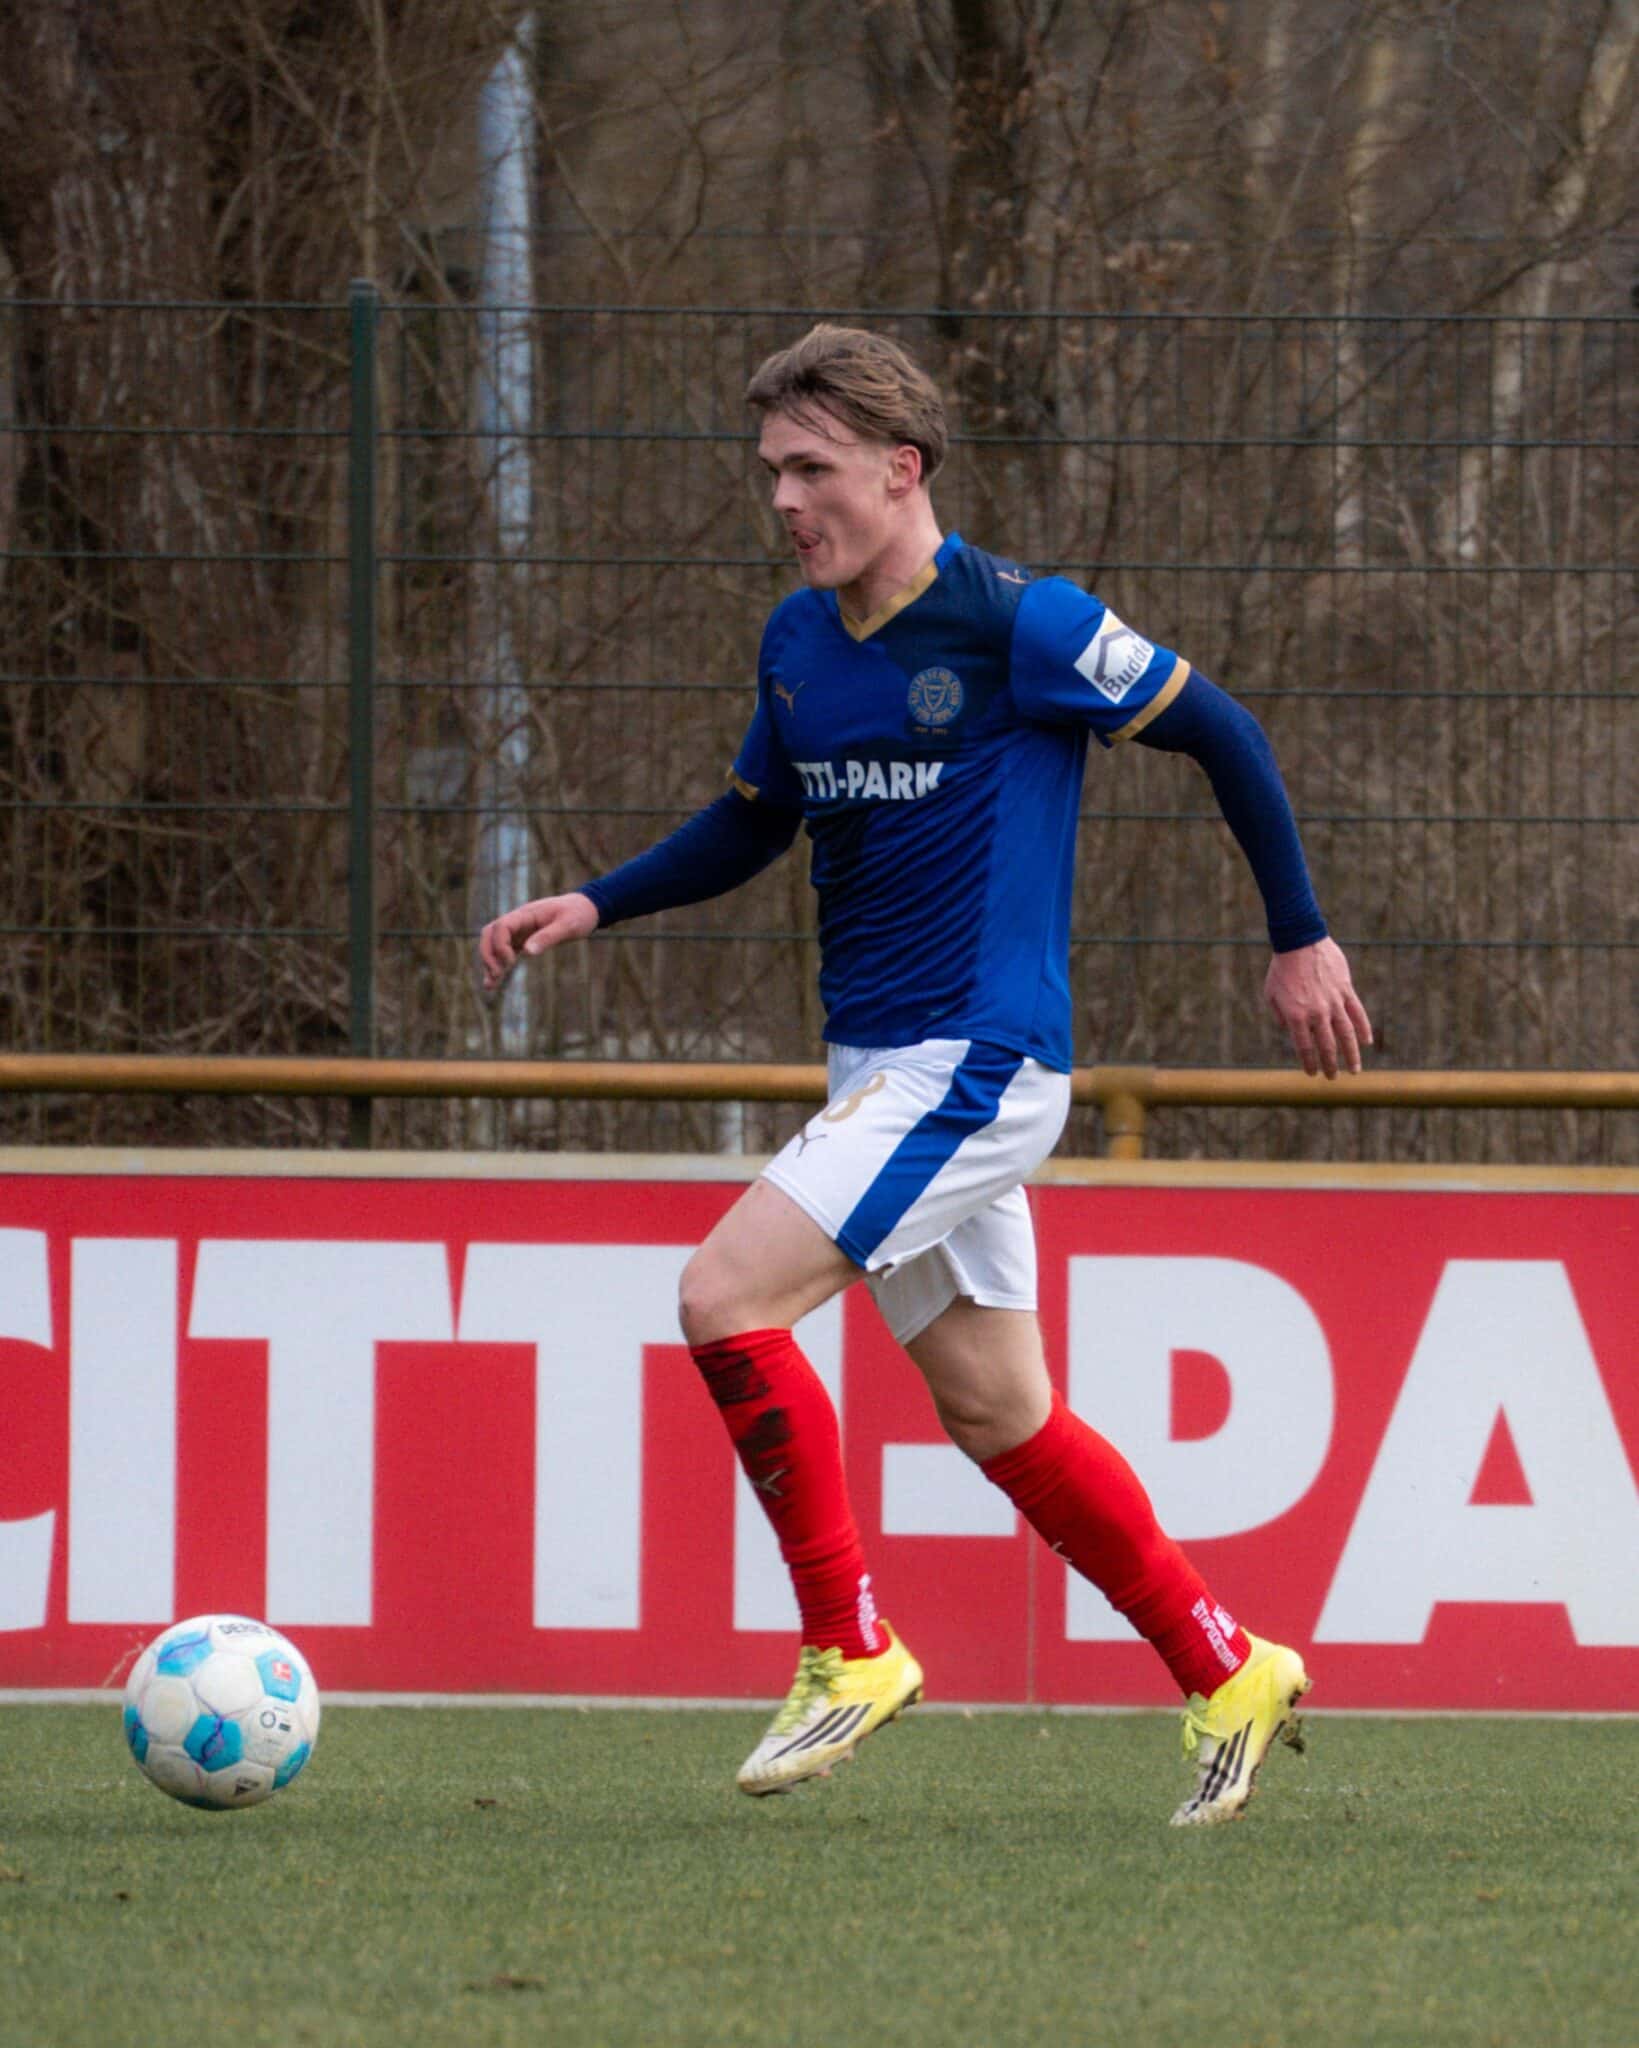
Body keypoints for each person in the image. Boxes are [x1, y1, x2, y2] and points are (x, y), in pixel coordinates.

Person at [479, 324, 1372, 1827]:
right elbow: (757, 820)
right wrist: (597, 900)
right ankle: (1226, 1665)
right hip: (879, 1070)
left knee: (722, 1298)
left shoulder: (1020, 624)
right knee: (998, 1411)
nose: (783, 499)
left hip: (980, 1055)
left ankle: (848, 1643)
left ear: (903, 470)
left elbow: (1226, 734)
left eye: (811, 468)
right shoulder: (797, 641)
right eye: (770, 471)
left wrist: (1301, 939)